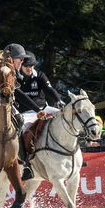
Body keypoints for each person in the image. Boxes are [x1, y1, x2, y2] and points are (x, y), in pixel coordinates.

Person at [17, 50, 66, 179]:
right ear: (21, 65)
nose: (29, 68)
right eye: (27, 66)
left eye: (31, 65)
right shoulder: (15, 77)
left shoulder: (39, 75)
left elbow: (49, 89)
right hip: (26, 113)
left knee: (66, 117)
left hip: (44, 108)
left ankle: (76, 153)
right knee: (20, 132)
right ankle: (27, 166)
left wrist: (58, 100)